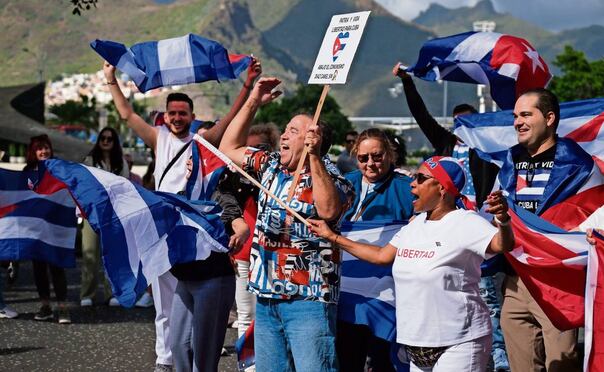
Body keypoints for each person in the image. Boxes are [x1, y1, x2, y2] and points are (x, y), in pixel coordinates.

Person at [103, 58, 261, 372]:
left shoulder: (202, 143)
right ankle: (166, 359)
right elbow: (126, 114)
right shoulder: (158, 138)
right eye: (172, 113)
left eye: (182, 113)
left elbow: (229, 121)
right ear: (166, 116)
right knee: (164, 301)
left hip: (196, 230)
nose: (177, 118)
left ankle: (185, 358)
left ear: (191, 116)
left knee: (187, 295)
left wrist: (247, 86)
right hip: (165, 228)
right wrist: (110, 78)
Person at [309, 156, 515, 372]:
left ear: (442, 188)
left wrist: (503, 220)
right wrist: (332, 237)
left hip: (458, 340)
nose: (412, 183)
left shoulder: (466, 221)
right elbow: (381, 256)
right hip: (416, 344)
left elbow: (503, 244)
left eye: (421, 178)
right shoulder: (415, 224)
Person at [219, 77, 354, 372]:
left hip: (309, 299)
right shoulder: (269, 165)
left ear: (312, 139)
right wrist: (253, 100)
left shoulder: (332, 174)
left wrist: (315, 157)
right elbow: (229, 147)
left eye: (293, 131)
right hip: (266, 297)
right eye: (286, 130)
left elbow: (329, 209)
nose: (283, 136)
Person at [393, 62, 509, 371]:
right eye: (458, 122)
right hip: (447, 234)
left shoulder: (487, 152)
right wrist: (407, 82)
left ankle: (498, 361)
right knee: (463, 292)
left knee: (486, 297)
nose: (463, 127)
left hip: (477, 230)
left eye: (469, 122)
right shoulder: (445, 145)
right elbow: (422, 117)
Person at [498, 88, 594, 372]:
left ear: (549, 118)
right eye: (515, 116)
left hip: (558, 283)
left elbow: (596, 216)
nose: (518, 122)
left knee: (560, 367)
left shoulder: (580, 166)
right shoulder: (508, 162)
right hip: (515, 282)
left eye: (526, 114)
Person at [337, 128, 414, 372]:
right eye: (363, 158)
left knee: (383, 362)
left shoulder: (407, 188)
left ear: (390, 155)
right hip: (345, 295)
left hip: (385, 296)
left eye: (377, 156)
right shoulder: (343, 183)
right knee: (347, 360)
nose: (370, 163)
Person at [229, 123, 281, 338]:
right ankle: (248, 367)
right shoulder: (234, 179)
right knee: (245, 315)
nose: (252, 155)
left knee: (270, 315)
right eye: (247, 149)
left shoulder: (281, 177)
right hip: (243, 254)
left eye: (259, 148)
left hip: (272, 255)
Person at [23, 134, 71, 324]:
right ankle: (45, 306)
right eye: (39, 148)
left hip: (56, 225)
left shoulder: (59, 168)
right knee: (39, 269)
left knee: (57, 266)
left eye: (46, 148)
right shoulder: (27, 171)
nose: (44, 151)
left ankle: (63, 308)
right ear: (33, 152)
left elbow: (67, 192)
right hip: (35, 228)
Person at [81, 127, 129, 308]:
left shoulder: (121, 162)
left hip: (114, 215)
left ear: (115, 142)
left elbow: (125, 188)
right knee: (90, 255)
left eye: (110, 139)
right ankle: (87, 293)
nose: (106, 141)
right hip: (92, 214)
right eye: (103, 138)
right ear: (99, 140)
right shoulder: (90, 160)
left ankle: (112, 294)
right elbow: (84, 186)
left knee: (112, 256)